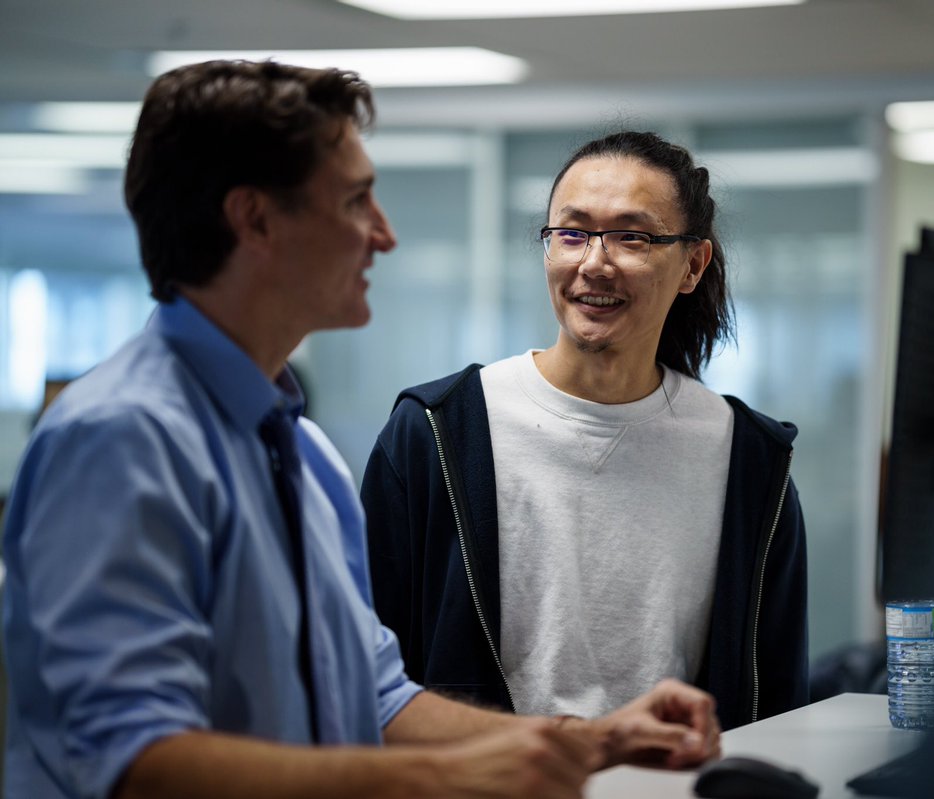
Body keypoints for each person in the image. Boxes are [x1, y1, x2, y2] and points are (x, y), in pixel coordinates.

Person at [1, 62, 720, 799]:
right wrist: (444, 776)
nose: (383, 234)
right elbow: (130, 760)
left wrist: (592, 741)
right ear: (255, 220)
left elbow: (375, 697)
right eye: (355, 200)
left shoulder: (301, 454)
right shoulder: (121, 439)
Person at [361, 131, 809, 732]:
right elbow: (366, 674)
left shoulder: (749, 460)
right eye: (572, 233)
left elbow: (774, 699)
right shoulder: (435, 433)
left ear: (692, 266)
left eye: (633, 237)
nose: (594, 263)